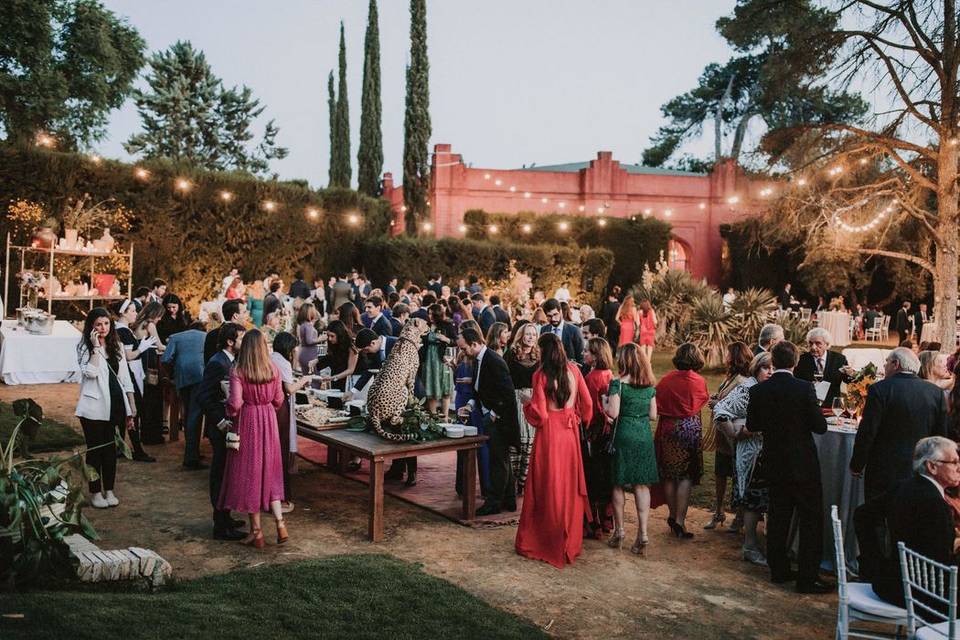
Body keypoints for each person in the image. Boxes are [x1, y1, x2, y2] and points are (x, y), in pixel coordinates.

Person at [747, 340, 832, 593]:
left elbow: (752, 424)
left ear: (772, 361)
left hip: (774, 460)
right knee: (810, 519)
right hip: (802, 463)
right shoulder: (804, 388)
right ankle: (807, 577)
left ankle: (779, 570)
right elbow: (820, 426)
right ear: (795, 362)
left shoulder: (759, 391)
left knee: (778, 517)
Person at [515, 333, 593, 568]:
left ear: (544, 351)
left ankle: (546, 537)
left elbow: (539, 413)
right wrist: (580, 418)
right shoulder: (575, 371)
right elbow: (588, 404)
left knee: (546, 485)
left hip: (549, 434)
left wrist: (526, 403)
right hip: (569, 435)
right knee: (568, 485)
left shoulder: (540, 374)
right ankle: (568, 536)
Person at [859, 436, 959, 607]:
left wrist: (875, 564)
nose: (958, 468)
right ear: (932, 466)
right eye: (954, 462)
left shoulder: (903, 486)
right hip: (922, 595)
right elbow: (942, 562)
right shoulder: (936, 504)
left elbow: (862, 515)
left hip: (890, 582)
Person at [218, 329, 288, 549]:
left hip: (248, 421)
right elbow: (279, 400)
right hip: (268, 420)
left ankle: (257, 532)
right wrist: (266, 407)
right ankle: (280, 524)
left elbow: (235, 403)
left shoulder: (238, 370)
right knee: (271, 472)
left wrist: (228, 408)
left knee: (251, 474)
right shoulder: (274, 369)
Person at [851, 347, 948, 500]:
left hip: (883, 468)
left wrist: (857, 464)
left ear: (896, 364)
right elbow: (940, 436)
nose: (885, 366)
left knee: (879, 516)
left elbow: (868, 431)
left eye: (887, 362)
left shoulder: (880, 389)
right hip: (920, 469)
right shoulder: (935, 393)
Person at [714, 352, 773, 565]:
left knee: (764, 498)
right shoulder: (746, 390)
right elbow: (720, 411)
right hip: (750, 452)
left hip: (767, 451)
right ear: (757, 369)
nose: (770, 372)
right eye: (766, 368)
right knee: (752, 499)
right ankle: (749, 545)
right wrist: (736, 433)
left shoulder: (769, 390)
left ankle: (761, 542)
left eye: (773, 368)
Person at [76, 308, 137, 508]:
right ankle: (95, 492)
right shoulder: (84, 346)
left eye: (106, 324)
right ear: (91, 327)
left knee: (111, 449)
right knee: (95, 450)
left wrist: (131, 404)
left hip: (115, 404)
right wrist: (95, 347)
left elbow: (125, 377)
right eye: (99, 325)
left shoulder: (116, 344)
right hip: (93, 406)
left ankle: (109, 489)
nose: (103, 329)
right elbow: (90, 373)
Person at [457, 327, 520, 516]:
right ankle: (509, 500)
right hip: (489, 415)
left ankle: (494, 502)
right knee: (501, 460)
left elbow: (508, 393)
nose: (463, 353)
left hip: (498, 419)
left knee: (497, 461)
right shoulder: (479, 359)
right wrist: (469, 405)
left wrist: (493, 414)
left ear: (474, 344)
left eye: (465, 348)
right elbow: (479, 390)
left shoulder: (493, 360)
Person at [604, 343, 658, 555]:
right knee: (642, 485)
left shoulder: (617, 384)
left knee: (618, 483)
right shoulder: (650, 386)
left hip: (624, 435)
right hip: (643, 435)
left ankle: (619, 531)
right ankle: (643, 533)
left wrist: (605, 403)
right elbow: (653, 415)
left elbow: (613, 413)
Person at [652, 343, 710, 539]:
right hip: (688, 431)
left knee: (669, 475)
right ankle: (680, 521)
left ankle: (671, 514)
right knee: (685, 477)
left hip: (669, 429)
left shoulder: (667, 380)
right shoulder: (699, 381)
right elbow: (703, 400)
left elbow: (656, 401)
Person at [196, 322, 247, 540]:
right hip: (220, 427)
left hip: (228, 424)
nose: (244, 343)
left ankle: (225, 517)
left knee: (227, 473)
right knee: (220, 474)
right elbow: (204, 396)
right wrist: (220, 421)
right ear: (230, 341)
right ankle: (220, 525)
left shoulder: (230, 361)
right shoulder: (217, 363)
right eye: (241, 338)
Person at [704, 341, 752, 531]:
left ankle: (738, 516)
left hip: (733, 435)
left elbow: (737, 407)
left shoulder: (741, 380)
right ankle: (719, 511)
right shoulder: (731, 377)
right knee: (720, 473)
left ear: (735, 357)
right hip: (723, 435)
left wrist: (717, 404)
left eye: (727, 353)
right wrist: (718, 399)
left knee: (736, 475)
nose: (725, 356)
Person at [271, 331, 310, 514]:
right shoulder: (283, 362)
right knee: (282, 449)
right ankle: (281, 496)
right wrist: (304, 380)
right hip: (281, 410)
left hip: (271, 408)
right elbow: (289, 388)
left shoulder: (272, 357)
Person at [114, 299, 157, 462]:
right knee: (134, 409)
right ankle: (137, 450)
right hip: (130, 371)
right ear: (124, 313)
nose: (135, 314)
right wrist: (142, 347)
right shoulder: (122, 331)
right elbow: (127, 356)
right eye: (132, 311)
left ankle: (121, 446)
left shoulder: (123, 329)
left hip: (133, 370)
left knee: (127, 410)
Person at [162, 320, 207, 469]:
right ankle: (191, 457)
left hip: (182, 378)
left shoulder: (176, 337)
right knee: (195, 415)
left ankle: (192, 452)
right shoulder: (205, 336)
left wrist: (171, 375)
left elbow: (165, 359)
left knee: (188, 414)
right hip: (200, 376)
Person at [581, 337, 614, 537]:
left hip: (595, 431)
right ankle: (607, 519)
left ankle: (595, 522)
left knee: (593, 477)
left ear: (596, 357)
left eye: (587, 352)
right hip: (608, 431)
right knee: (605, 476)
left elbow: (589, 408)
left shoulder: (591, 378)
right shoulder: (609, 374)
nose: (584, 354)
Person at [505, 322, 540, 495]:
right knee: (517, 440)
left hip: (533, 400)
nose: (531, 337)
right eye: (528, 334)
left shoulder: (539, 357)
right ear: (521, 336)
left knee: (531, 443)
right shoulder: (511, 355)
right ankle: (511, 480)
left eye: (534, 334)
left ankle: (524, 482)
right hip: (516, 399)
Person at [794, 327, 856, 407]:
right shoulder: (801, 360)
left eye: (818, 343)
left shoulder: (839, 359)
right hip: (808, 405)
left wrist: (851, 374)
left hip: (832, 405)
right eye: (810, 343)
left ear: (827, 344)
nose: (813, 347)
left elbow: (848, 380)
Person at [132, 302, 166, 444]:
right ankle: (152, 435)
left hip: (141, 362)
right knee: (154, 397)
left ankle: (146, 432)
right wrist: (171, 345)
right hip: (150, 363)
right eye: (159, 316)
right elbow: (159, 345)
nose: (159, 319)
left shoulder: (137, 323)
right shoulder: (150, 325)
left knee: (146, 397)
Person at [422, 303, 456, 419]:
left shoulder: (447, 325)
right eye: (429, 313)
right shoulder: (425, 326)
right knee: (431, 387)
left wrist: (445, 339)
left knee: (444, 386)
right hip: (429, 360)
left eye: (433, 314)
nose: (430, 316)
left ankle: (445, 416)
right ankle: (433, 416)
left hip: (443, 359)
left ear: (439, 314)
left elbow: (456, 341)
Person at [313, 319, 359, 392]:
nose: (330, 339)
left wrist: (333, 378)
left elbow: (350, 370)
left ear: (340, 335)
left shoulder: (351, 346)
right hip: (336, 376)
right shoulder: (334, 344)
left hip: (348, 380)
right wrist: (317, 360)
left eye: (332, 336)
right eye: (328, 336)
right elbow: (330, 357)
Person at [540, 298, 584, 365]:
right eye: (549, 316)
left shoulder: (574, 331)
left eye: (555, 314)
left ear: (560, 312)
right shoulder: (544, 330)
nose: (553, 319)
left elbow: (581, 358)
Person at [205, 299, 248, 363]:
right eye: (244, 312)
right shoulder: (241, 335)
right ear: (235, 315)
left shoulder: (211, 334)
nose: (247, 315)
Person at [296, 303, 322, 374]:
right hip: (310, 355)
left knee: (306, 378)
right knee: (315, 380)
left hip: (304, 353)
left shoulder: (302, 325)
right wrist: (321, 339)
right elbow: (309, 341)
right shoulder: (308, 326)